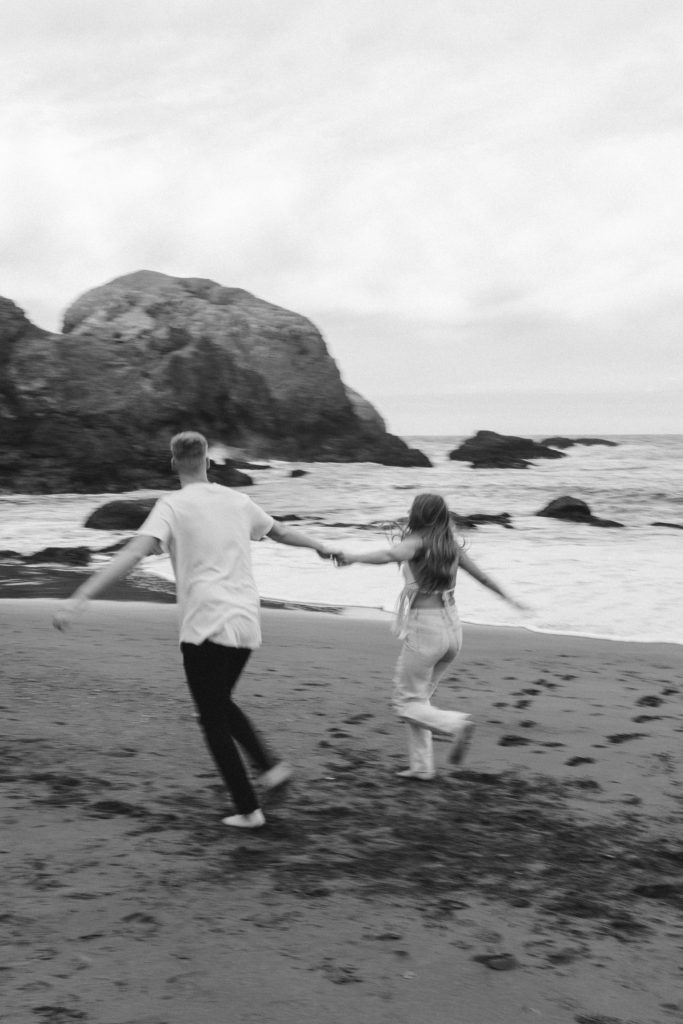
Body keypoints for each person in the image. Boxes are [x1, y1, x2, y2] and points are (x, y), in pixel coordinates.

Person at [54, 430, 333, 829]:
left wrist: (80, 595)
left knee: (211, 715)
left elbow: (133, 552)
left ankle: (248, 809)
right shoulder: (238, 501)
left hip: (204, 623)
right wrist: (321, 546)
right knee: (219, 701)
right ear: (208, 461)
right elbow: (282, 532)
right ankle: (270, 769)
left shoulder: (172, 505)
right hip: (246, 621)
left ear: (173, 463)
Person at [334, 493, 527, 780]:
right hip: (453, 630)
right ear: (442, 515)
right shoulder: (450, 547)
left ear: (417, 515)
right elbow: (484, 578)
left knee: (405, 704)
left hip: (427, 630)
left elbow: (389, 555)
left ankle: (456, 725)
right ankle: (422, 767)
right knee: (418, 702)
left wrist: (351, 558)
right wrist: (511, 600)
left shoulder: (416, 543)